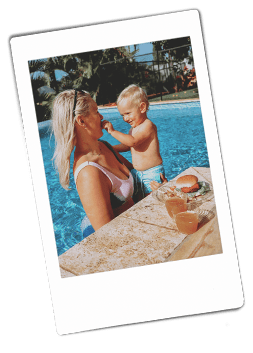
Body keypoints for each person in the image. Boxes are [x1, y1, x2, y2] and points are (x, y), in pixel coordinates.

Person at [52, 89, 134, 236]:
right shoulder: (89, 173)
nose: (101, 116)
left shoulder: (104, 146)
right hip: (110, 234)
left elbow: (138, 171)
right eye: (96, 111)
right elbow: (107, 235)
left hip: (131, 223)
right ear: (81, 121)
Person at [102, 84, 166, 202]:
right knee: (138, 203)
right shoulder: (133, 129)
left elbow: (133, 142)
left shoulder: (148, 125)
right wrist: (112, 148)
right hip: (137, 174)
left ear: (142, 107)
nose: (125, 119)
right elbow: (128, 145)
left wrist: (112, 132)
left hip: (151, 175)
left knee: (154, 202)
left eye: (128, 113)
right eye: (122, 115)